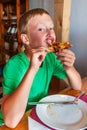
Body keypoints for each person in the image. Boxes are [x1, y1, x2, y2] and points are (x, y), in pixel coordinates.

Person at [0, 8, 82, 128]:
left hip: (35, 114)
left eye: (51, 28)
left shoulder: (51, 58)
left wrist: (69, 67)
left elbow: (78, 86)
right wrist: (33, 69)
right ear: (26, 39)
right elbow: (11, 121)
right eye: (41, 29)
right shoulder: (15, 65)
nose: (50, 33)